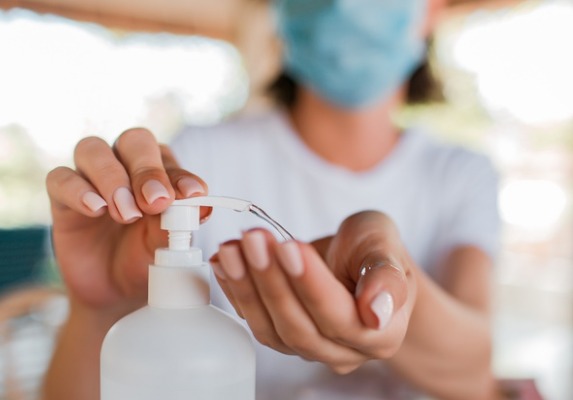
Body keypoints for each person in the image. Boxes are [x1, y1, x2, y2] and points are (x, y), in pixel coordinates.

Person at [42, 0, 501, 399]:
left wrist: (388, 283)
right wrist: (99, 308)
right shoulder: (197, 162)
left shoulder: (460, 174)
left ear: (432, 7)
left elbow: (474, 376)